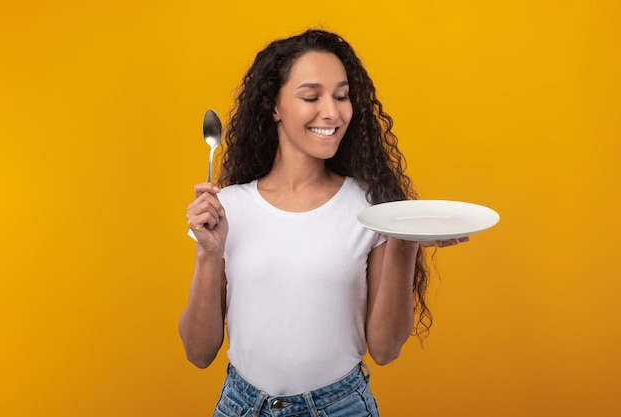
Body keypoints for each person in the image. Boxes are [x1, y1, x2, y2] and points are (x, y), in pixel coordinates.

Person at [180, 29, 467, 417]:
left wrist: (405, 239)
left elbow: (385, 350)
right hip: (242, 406)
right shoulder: (227, 209)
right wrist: (208, 255)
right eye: (311, 96)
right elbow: (198, 353)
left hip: (340, 407)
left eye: (342, 95)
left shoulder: (371, 208)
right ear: (274, 106)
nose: (332, 112)